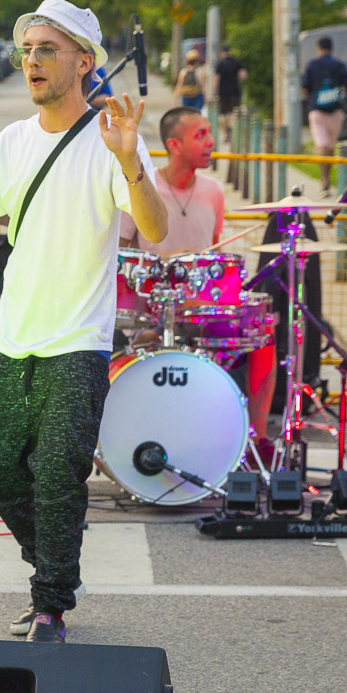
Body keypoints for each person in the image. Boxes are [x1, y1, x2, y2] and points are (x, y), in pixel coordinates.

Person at [0, 0, 166, 644]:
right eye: (27, 51)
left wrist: (133, 159)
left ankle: (50, 602)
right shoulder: (14, 141)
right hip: (17, 336)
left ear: (84, 62)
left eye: (46, 50)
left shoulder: (110, 140)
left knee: (57, 471)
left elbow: (156, 228)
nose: (31, 62)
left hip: (77, 340)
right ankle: (54, 568)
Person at [122, 108, 277, 453]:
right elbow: (120, 255)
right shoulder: (140, 188)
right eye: (200, 135)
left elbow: (211, 259)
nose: (211, 142)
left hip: (206, 312)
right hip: (154, 310)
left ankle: (257, 441)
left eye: (210, 133)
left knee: (263, 332)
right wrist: (170, 261)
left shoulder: (214, 191)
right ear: (174, 145)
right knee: (148, 337)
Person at [302, 36, 347, 193]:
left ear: (318, 47)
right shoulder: (339, 65)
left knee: (322, 145)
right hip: (336, 112)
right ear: (332, 48)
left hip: (317, 112)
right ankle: (327, 179)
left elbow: (304, 88)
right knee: (330, 146)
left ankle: (325, 181)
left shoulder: (312, 65)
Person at [213, 45, 247, 147]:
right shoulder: (236, 63)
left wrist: (214, 91)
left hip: (223, 92)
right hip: (235, 91)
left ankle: (225, 134)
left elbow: (216, 79)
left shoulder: (220, 64)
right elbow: (243, 75)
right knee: (234, 112)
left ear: (222, 53)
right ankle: (232, 128)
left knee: (223, 113)